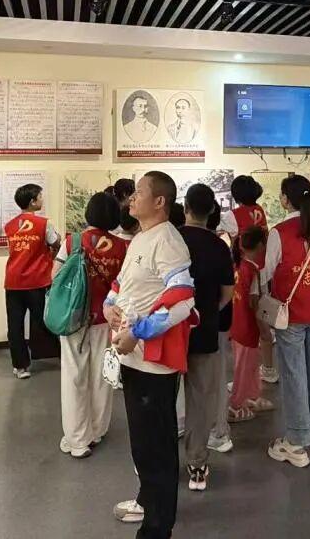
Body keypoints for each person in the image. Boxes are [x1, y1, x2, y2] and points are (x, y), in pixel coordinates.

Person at [106, 171, 195, 536]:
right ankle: (147, 502)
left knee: (156, 449)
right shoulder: (141, 238)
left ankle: (158, 528)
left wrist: (137, 332)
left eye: (139, 192)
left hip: (152, 364)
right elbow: (123, 283)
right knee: (143, 446)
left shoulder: (169, 241)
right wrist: (110, 305)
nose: (132, 198)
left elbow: (183, 302)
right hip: (133, 359)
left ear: (159, 201)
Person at [262, 174, 310, 468]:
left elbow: (266, 272)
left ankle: (296, 442)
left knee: (294, 377)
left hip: (290, 315)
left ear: (285, 199)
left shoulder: (279, 232)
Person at [54, 192, 127, 458]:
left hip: (74, 319)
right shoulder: (123, 247)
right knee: (102, 376)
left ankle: (77, 440)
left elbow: (55, 276)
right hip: (106, 320)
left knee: (74, 376)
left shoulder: (72, 242)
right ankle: (97, 430)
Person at [178, 184, 235, 492]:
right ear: (212, 210)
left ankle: (158, 460)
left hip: (169, 331)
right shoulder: (219, 246)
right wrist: (208, 310)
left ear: (185, 207)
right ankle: (197, 463)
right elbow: (227, 292)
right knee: (201, 399)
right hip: (205, 328)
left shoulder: (172, 239)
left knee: (163, 396)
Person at [217, 175, 277, 384]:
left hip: (245, 272)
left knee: (244, 324)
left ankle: (244, 379)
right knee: (263, 321)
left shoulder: (232, 216)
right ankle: (268, 368)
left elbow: (216, 230)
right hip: (263, 270)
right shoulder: (259, 210)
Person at [3, 183, 61, 379]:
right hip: (37, 281)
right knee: (47, 320)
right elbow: (56, 242)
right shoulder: (44, 224)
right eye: (40, 196)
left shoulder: (9, 226)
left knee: (15, 326)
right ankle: (62, 356)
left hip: (13, 281)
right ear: (32, 201)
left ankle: (20, 367)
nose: (42, 199)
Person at [228, 225, 272, 422]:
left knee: (250, 364)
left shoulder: (238, 265)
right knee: (244, 368)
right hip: (248, 328)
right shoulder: (253, 271)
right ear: (261, 245)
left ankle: (252, 396)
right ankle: (235, 406)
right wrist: (264, 328)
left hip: (236, 323)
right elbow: (255, 304)